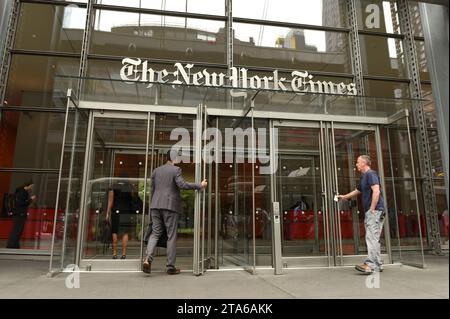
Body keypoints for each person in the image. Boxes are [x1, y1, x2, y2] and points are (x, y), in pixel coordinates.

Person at [143, 150, 207, 275]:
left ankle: (147, 259)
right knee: (171, 236)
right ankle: (170, 267)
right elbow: (182, 185)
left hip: (155, 205)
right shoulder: (176, 170)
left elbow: (153, 189)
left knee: (155, 233)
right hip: (170, 207)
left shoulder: (156, 171)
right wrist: (199, 185)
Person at [337, 155, 385, 273]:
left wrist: (372, 208)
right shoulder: (364, 177)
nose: (356, 164)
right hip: (374, 211)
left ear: (364, 163)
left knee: (371, 237)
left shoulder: (371, 174)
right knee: (374, 237)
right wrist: (344, 197)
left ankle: (371, 265)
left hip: (375, 210)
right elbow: (357, 191)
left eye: (358, 162)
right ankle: (377, 264)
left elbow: (376, 191)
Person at [105, 174, 137, 259]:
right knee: (125, 232)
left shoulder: (113, 187)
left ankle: (114, 254)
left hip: (116, 211)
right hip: (127, 211)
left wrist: (107, 213)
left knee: (114, 232)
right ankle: (123, 254)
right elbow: (133, 199)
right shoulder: (130, 187)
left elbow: (110, 201)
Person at [6, 180, 36, 249]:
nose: (31, 188)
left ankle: (14, 245)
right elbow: (20, 203)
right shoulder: (22, 192)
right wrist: (30, 200)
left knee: (17, 230)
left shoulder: (20, 191)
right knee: (17, 230)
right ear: (28, 185)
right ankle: (12, 245)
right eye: (31, 186)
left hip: (18, 213)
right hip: (20, 214)